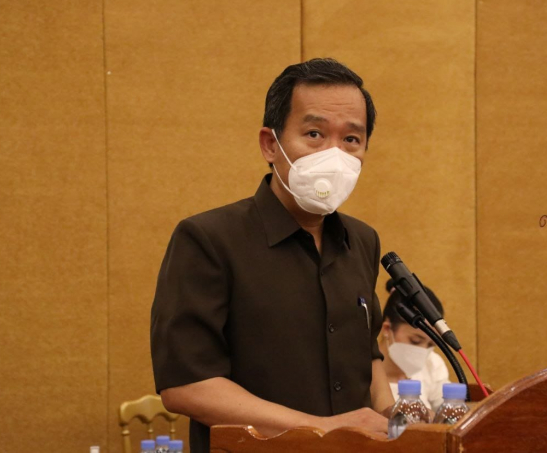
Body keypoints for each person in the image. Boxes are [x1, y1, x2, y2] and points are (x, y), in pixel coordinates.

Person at [150, 58, 395, 451]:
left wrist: (392, 419)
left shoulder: (362, 240)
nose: (334, 154)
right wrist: (320, 429)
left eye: (351, 139)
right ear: (270, 144)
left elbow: (368, 357)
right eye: (314, 134)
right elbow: (186, 386)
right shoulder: (208, 239)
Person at [379, 279, 451, 411]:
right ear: (387, 329)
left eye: (431, 344)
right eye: (415, 341)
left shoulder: (432, 364)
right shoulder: (364, 374)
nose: (423, 350)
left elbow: (449, 412)